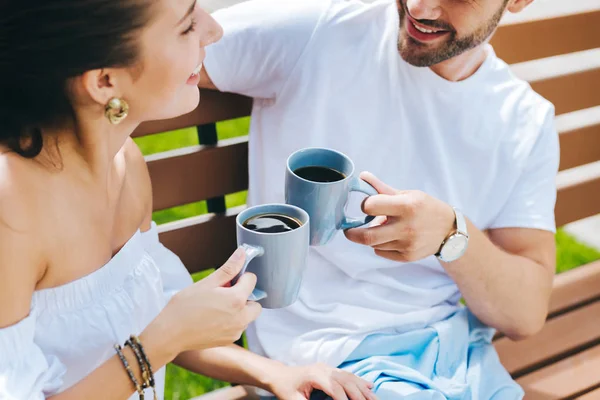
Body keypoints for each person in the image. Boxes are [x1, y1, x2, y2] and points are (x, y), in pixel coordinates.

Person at [0, 1, 376, 399]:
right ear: (105, 81)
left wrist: (276, 373)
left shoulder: (124, 163)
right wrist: (162, 339)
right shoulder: (12, 212)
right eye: (186, 26)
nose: (213, 30)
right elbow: (166, 328)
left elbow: (162, 311)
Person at [198, 0, 559, 398]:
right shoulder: (319, 30)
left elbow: (524, 314)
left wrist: (451, 235)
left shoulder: (524, 119)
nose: (421, 6)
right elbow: (148, 47)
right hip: (326, 364)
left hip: (452, 358)